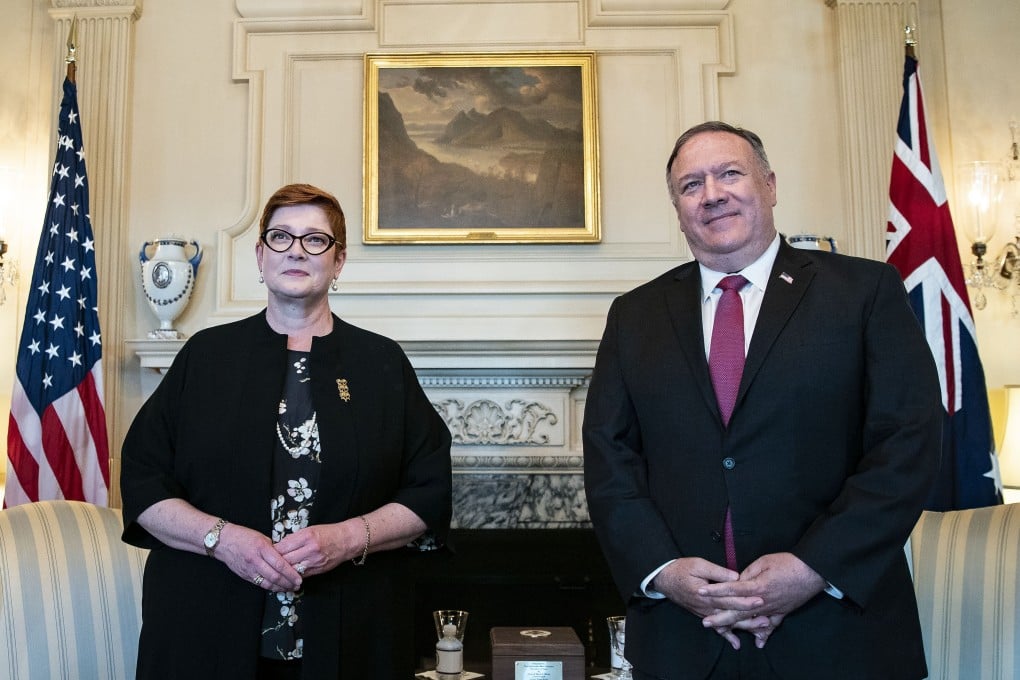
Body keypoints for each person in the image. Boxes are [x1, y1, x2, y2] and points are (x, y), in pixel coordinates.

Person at [582, 122, 942, 679]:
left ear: (770, 185)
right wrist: (666, 572)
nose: (712, 194)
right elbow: (610, 463)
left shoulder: (864, 293)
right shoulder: (635, 317)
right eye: (691, 184)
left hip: (838, 635)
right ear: (678, 207)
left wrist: (811, 568)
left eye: (730, 173)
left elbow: (908, 445)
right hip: (688, 641)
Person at [121, 183, 453, 679]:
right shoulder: (206, 358)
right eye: (281, 237)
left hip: (352, 633)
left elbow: (429, 493)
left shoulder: (380, 363)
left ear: (338, 262)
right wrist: (221, 539)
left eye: (315, 240)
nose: (296, 250)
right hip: (205, 629)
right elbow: (144, 485)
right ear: (260, 255)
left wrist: (346, 538)